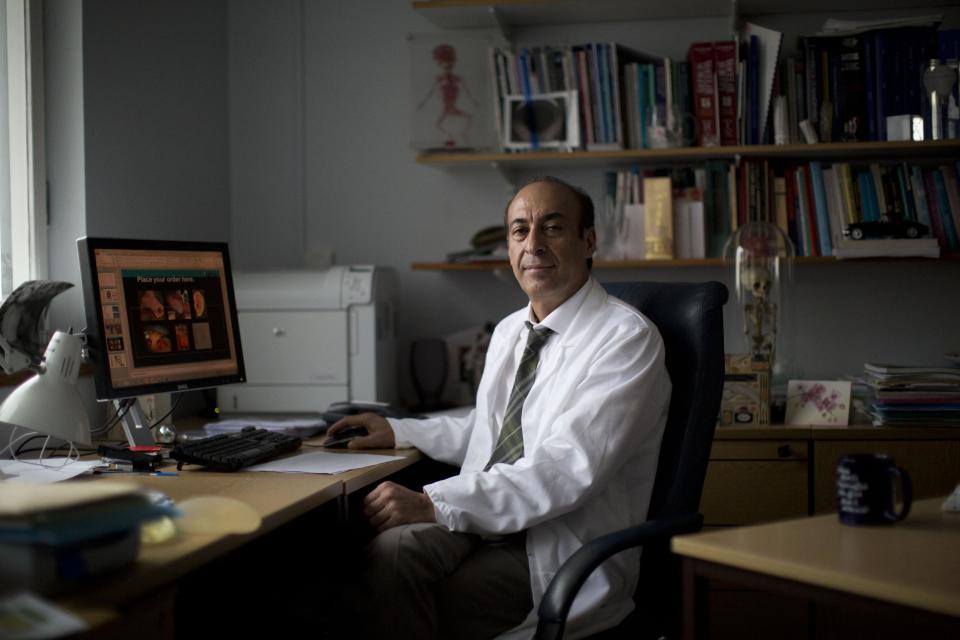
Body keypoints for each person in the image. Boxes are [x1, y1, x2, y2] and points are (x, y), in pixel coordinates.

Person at [326, 176, 670, 639]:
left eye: (552, 228)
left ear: (588, 241)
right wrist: (398, 430)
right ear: (508, 247)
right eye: (520, 230)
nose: (533, 245)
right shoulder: (512, 331)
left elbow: (565, 469)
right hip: (487, 524)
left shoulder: (625, 339)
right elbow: (492, 431)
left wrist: (433, 502)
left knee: (405, 593)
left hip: (552, 549)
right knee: (389, 554)